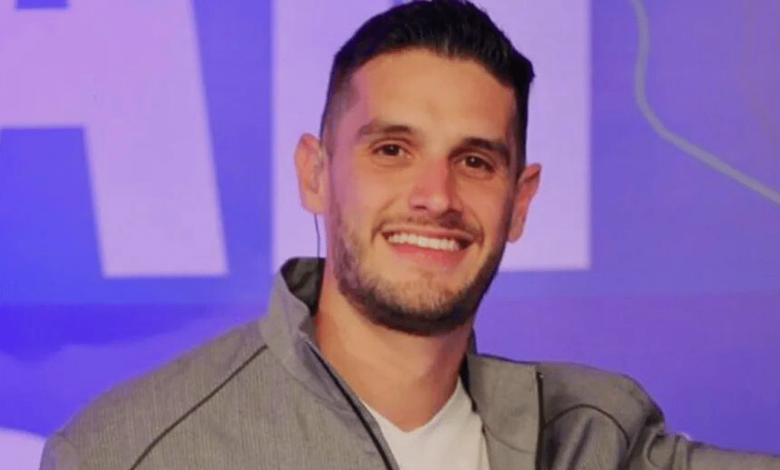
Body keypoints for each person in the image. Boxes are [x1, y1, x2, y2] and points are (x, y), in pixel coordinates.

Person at [40, 1, 780, 469]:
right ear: (315, 174)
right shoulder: (129, 452)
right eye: (392, 149)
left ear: (519, 202)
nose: (436, 196)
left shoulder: (595, 438)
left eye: (475, 160)